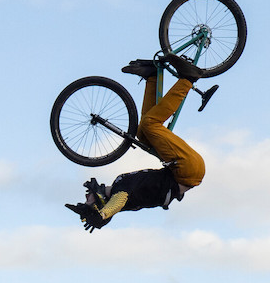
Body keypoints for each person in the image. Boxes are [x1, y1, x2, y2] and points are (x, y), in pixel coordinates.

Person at [66, 53, 208, 231]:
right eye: (87, 201)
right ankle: (188, 78)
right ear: (99, 203)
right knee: (150, 124)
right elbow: (118, 202)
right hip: (188, 169)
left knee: (143, 134)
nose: (86, 196)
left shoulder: (121, 187)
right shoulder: (121, 192)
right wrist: (103, 215)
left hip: (183, 171)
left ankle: (152, 77)